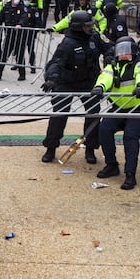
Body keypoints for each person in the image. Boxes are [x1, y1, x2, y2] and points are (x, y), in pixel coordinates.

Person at [40, 11, 111, 164]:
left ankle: (90, 149)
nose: (91, 27)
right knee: (59, 115)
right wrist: (52, 79)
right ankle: (50, 148)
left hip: (89, 81)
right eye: (87, 26)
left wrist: (110, 57)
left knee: (93, 115)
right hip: (66, 82)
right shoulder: (67, 44)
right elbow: (55, 63)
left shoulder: (95, 37)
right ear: (78, 27)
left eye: (91, 25)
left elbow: (109, 48)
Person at [91, 36, 140, 190]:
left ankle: (130, 174)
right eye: (121, 51)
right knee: (104, 129)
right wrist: (100, 86)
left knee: (130, 136)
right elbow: (105, 77)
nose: (123, 54)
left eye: (127, 51)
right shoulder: (113, 66)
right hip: (120, 108)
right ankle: (112, 165)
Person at [0, 0, 29, 81]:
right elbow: (0, 17)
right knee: (4, 55)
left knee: (20, 55)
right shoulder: (7, 7)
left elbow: (24, 17)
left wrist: (20, 24)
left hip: (19, 35)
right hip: (9, 35)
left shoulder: (22, 7)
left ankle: (22, 75)